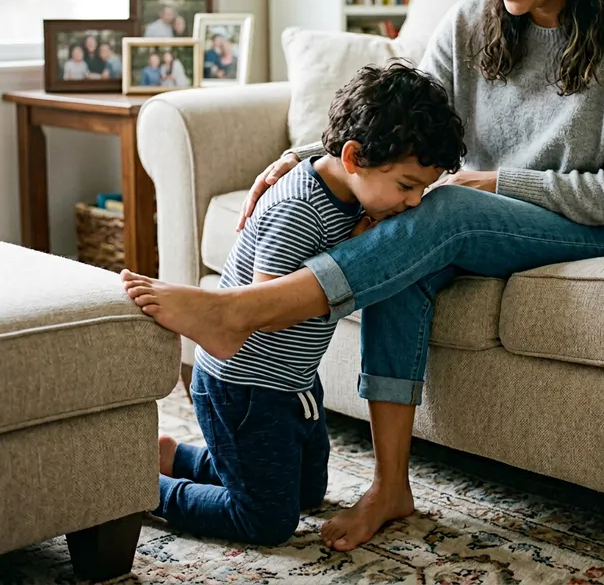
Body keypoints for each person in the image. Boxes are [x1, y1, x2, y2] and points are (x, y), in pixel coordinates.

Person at [121, 0, 604, 551]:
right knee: (408, 246)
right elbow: (394, 119)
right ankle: (391, 485)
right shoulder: (474, 21)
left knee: (438, 209)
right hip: (480, 221)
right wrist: (304, 158)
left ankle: (244, 312)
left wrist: (495, 180)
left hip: (602, 228)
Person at [151, 62, 465, 545]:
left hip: (294, 384)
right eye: (407, 185)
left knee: (306, 492)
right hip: (245, 388)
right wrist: (354, 258)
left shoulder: (354, 192)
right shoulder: (300, 208)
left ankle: (179, 457)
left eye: (423, 187)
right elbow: (266, 308)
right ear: (355, 156)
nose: (415, 202)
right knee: (265, 519)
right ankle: (148, 491)